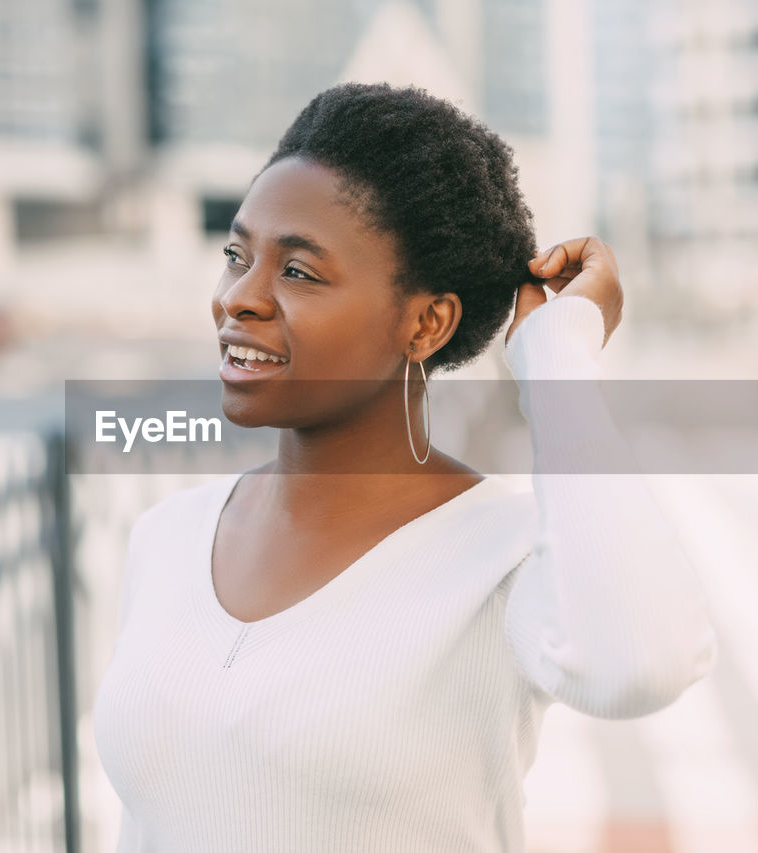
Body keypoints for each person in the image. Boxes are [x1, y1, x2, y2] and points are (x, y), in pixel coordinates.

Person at [92, 81, 718, 852]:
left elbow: (639, 664)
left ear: (426, 321)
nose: (238, 299)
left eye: (298, 272)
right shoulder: (166, 536)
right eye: (236, 255)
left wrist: (557, 359)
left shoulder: (505, 558)